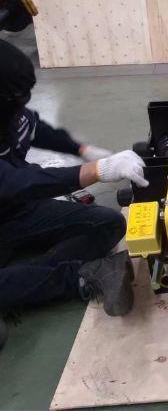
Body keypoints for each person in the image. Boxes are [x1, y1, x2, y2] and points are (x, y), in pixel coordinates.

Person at [0, 39, 149, 349]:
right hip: (11, 194)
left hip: (14, 212)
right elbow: (16, 182)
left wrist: (82, 150)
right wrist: (97, 170)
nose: (20, 108)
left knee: (108, 224)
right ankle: (78, 277)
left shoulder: (11, 112)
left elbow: (33, 128)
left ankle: (25, 281)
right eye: (14, 100)